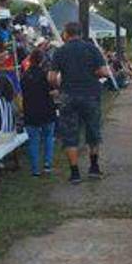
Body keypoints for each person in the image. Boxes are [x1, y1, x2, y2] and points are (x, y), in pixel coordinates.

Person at [50, 22, 110, 185]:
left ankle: (75, 173)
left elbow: (51, 77)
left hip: (68, 96)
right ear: (81, 33)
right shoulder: (92, 49)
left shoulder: (60, 51)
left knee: (70, 135)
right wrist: (92, 74)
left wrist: (59, 87)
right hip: (90, 95)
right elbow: (104, 72)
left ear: (66, 34)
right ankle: (94, 167)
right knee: (93, 131)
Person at [21, 49, 56, 176]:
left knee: (33, 141)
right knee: (48, 138)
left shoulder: (24, 76)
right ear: (42, 60)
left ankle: (35, 169)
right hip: (46, 109)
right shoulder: (45, 75)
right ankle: (47, 164)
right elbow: (52, 90)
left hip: (30, 111)